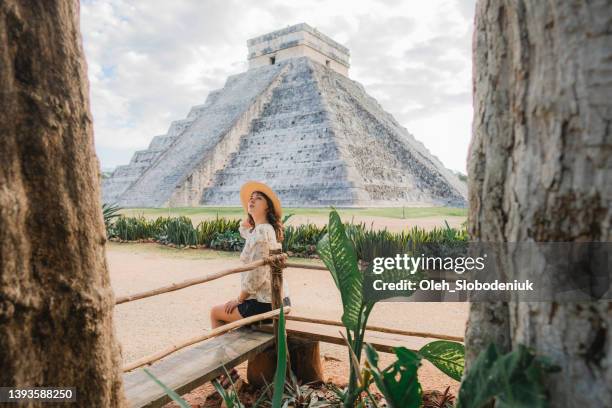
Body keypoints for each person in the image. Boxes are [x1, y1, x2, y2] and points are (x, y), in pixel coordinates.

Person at [209, 181, 291, 386]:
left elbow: (257, 275)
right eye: (251, 198)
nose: (252, 199)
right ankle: (226, 371)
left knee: (216, 313)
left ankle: (227, 374)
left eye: (259, 198)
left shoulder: (261, 233)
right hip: (278, 298)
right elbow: (251, 236)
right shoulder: (263, 230)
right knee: (221, 312)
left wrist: (239, 299)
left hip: (264, 303)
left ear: (267, 207)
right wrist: (246, 227)